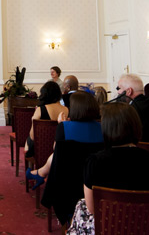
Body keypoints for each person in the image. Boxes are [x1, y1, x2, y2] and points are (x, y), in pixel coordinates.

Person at [67, 102, 149, 234]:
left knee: (82, 205)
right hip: (146, 227)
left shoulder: (95, 162)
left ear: (106, 128)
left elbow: (92, 209)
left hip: (108, 228)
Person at [31, 92, 103, 225]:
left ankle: (41, 173)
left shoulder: (65, 127)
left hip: (67, 186)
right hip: (94, 184)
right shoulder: (103, 128)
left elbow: (56, 150)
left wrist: (60, 124)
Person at [25, 81, 69, 158]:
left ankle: (29, 165)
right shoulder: (66, 110)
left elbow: (32, 136)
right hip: (59, 149)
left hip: (41, 148)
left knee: (28, 140)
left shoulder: (40, 109)